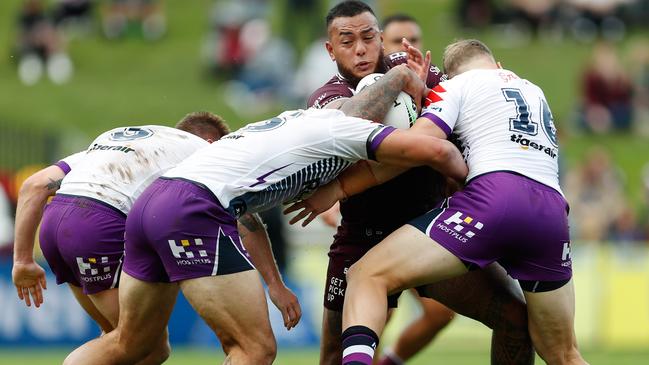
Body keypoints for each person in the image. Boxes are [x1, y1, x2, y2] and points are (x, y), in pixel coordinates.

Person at [62, 65, 468, 365]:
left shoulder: (301, 118)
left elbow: (249, 216)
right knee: (254, 349)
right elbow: (439, 152)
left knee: (131, 345)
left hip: (152, 203)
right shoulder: (349, 131)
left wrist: (275, 284)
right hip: (193, 208)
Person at [306, 2, 533, 364]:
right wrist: (398, 82)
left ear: (381, 39)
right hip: (362, 236)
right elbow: (353, 120)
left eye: (368, 37)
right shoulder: (327, 98)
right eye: (347, 41)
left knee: (516, 319)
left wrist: (426, 95)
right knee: (334, 354)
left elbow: (469, 106)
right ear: (330, 50)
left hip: (429, 229)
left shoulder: (418, 73)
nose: (360, 48)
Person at [335, 39, 586, 364]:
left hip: (495, 198)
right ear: (497, 65)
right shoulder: (533, 90)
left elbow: (416, 145)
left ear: (451, 75)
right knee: (563, 353)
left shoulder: (455, 87)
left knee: (366, 274)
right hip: (551, 213)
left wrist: (342, 180)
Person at [12, 112, 232, 363]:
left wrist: (23, 261)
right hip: (95, 226)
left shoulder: (125, 143)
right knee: (147, 346)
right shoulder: (205, 154)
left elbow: (35, 186)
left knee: (116, 340)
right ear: (213, 143)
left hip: (54, 224)